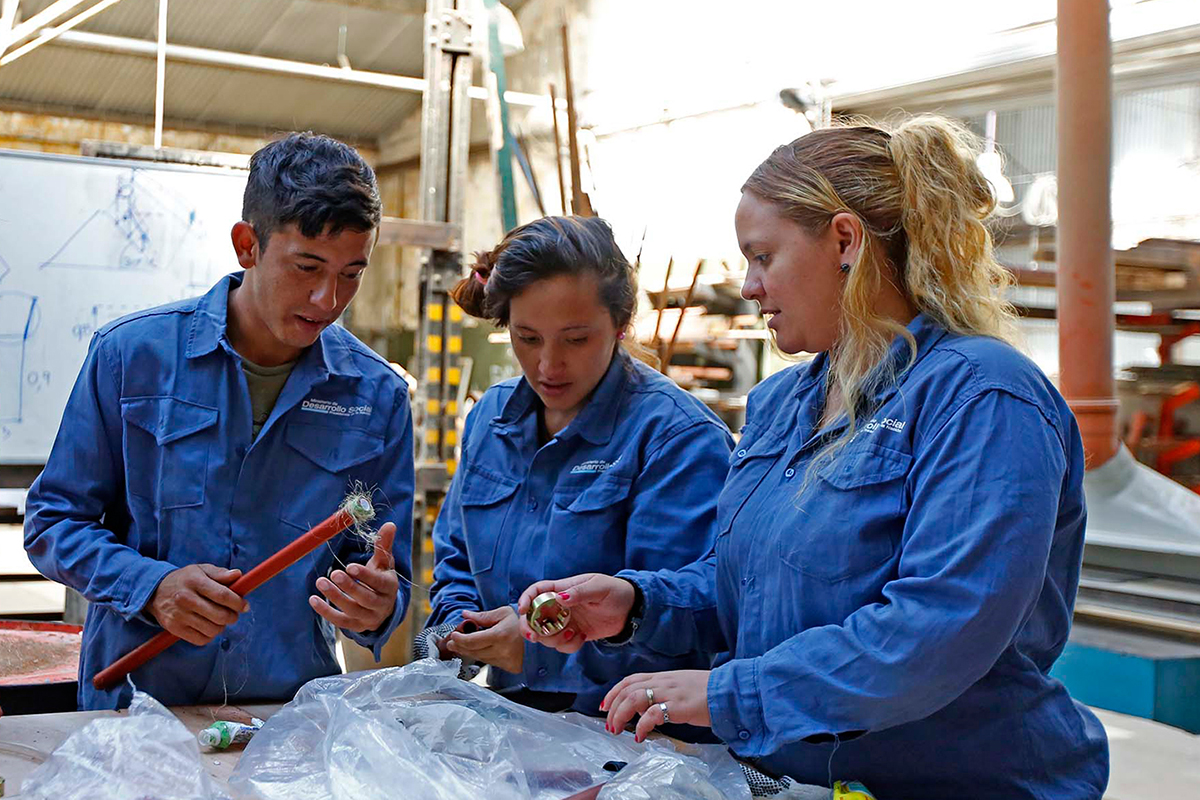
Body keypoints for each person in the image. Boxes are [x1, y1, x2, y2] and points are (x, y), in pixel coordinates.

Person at [518, 117, 1110, 798]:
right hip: (804, 782)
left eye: (762, 256)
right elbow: (755, 592)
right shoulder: (781, 404)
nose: (747, 286)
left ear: (845, 241)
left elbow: (937, 630)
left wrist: (731, 695)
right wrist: (637, 603)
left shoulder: (982, 397)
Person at [24, 132, 414, 710]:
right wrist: (150, 587)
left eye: (351, 274)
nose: (328, 298)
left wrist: (377, 606)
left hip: (283, 721)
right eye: (307, 266)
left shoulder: (377, 396)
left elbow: (384, 570)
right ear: (247, 245)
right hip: (137, 707)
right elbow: (53, 523)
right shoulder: (132, 358)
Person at [423, 215, 733, 722]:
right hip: (509, 718)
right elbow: (455, 556)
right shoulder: (490, 419)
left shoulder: (678, 439)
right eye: (527, 338)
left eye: (575, 339)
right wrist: (461, 626)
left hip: (635, 740)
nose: (548, 365)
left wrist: (538, 652)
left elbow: (692, 624)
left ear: (620, 325)